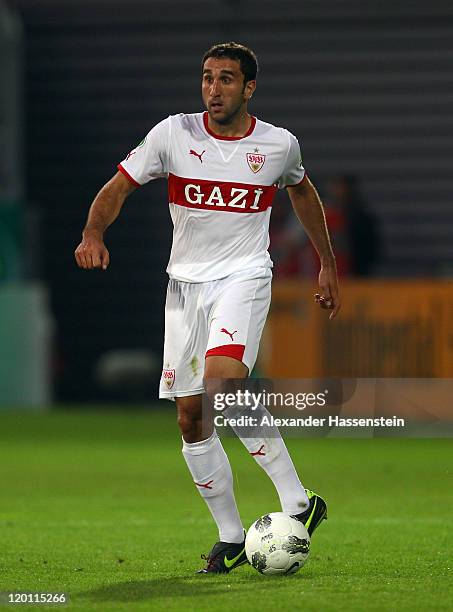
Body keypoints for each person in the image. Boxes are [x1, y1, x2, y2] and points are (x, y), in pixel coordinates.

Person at [74, 42, 340, 574]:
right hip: (184, 288)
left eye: (225, 79)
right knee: (191, 417)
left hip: (243, 276)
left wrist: (326, 263)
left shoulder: (277, 145)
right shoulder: (174, 134)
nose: (213, 89)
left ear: (249, 88)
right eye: (206, 78)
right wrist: (92, 232)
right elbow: (119, 186)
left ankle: (297, 501)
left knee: (222, 383)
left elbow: (303, 193)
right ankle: (232, 536)